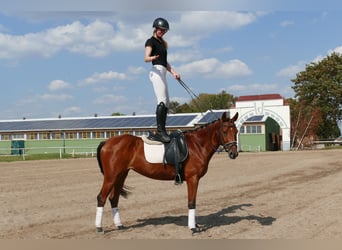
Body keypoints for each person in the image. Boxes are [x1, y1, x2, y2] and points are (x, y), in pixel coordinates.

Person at [144, 17, 181, 143]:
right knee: (162, 100)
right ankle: (160, 131)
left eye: (164, 31)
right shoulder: (151, 41)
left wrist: (174, 73)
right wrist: (153, 57)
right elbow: (146, 58)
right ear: (156, 28)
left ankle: (163, 130)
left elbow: (165, 62)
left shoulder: (162, 44)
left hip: (163, 71)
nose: (163, 32)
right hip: (156, 71)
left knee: (167, 102)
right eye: (161, 30)